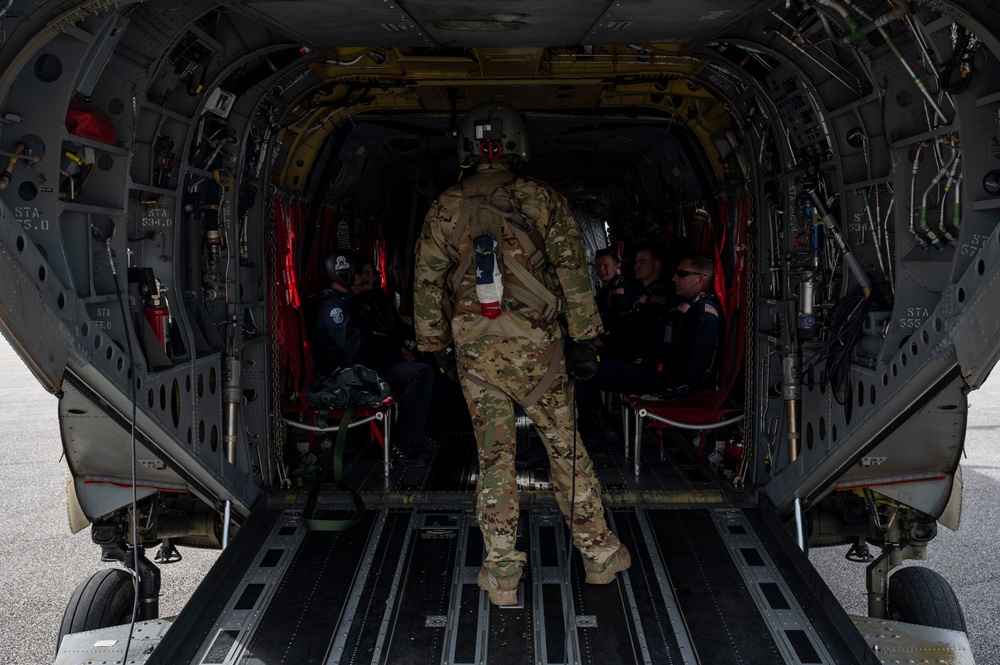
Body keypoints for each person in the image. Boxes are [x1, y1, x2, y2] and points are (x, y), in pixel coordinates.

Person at [413, 100, 631, 607]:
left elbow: (427, 283)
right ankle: (598, 557)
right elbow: (573, 272)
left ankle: (502, 575)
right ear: (518, 145)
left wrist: (436, 347)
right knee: (564, 449)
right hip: (542, 356)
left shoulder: (445, 207)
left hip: (477, 356)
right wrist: (583, 337)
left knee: (495, 459)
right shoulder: (542, 200)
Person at [311, 249, 438, 466]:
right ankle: (404, 442)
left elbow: (372, 338)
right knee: (420, 373)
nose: (364, 277)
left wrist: (398, 353)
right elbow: (359, 349)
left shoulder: (349, 302)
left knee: (425, 365)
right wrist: (397, 356)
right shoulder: (334, 309)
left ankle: (420, 432)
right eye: (359, 272)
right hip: (349, 376)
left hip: (363, 367)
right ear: (345, 275)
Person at [576, 241, 673, 444]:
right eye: (636, 262)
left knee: (581, 373)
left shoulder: (659, 296)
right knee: (581, 364)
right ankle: (594, 426)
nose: (636, 266)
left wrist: (608, 343)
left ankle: (603, 429)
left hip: (646, 369)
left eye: (642, 262)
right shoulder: (644, 293)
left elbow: (642, 338)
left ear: (656, 265)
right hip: (633, 359)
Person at [593, 248, 637, 345]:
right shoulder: (606, 289)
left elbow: (622, 324)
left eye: (605, 265)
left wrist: (602, 340)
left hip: (619, 346)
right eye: (598, 265)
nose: (601, 269)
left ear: (616, 265)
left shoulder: (621, 289)